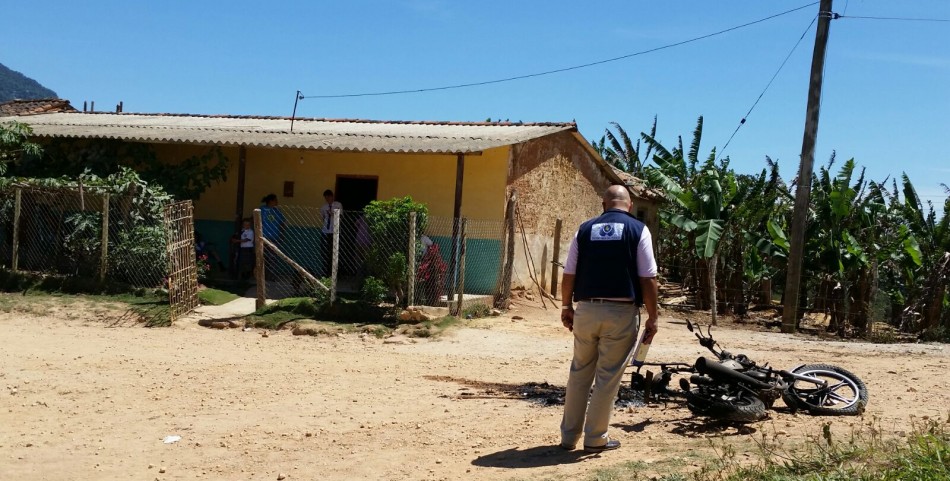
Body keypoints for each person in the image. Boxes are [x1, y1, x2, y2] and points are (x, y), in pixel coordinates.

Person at [558, 185, 658, 453]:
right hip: (621, 313)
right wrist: (653, 317)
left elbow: (569, 273)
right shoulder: (639, 230)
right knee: (608, 377)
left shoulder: (585, 229)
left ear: (603, 204)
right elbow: (648, 278)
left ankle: (568, 438)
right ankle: (595, 439)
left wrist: (567, 306)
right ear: (629, 204)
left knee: (579, 373)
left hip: (586, 310)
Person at [259, 194, 285, 279]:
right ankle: (262, 275)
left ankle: (271, 275)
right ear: (270, 201)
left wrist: (281, 234)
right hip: (264, 237)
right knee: (264, 256)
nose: (277, 202)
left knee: (273, 257)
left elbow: (282, 223)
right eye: (275, 200)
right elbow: (255, 221)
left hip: (275, 237)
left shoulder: (277, 211)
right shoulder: (262, 210)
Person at [319, 189, 342, 277]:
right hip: (325, 231)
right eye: (326, 198)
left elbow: (341, 216)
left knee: (334, 252)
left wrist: (333, 214)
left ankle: (334, 273)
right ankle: (325, 272)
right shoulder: (323, 207)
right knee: (325, 252)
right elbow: (323, 218)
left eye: (328, 197)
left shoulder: (338, 205)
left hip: (334, 231)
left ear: (332, 196)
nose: (327, 199)